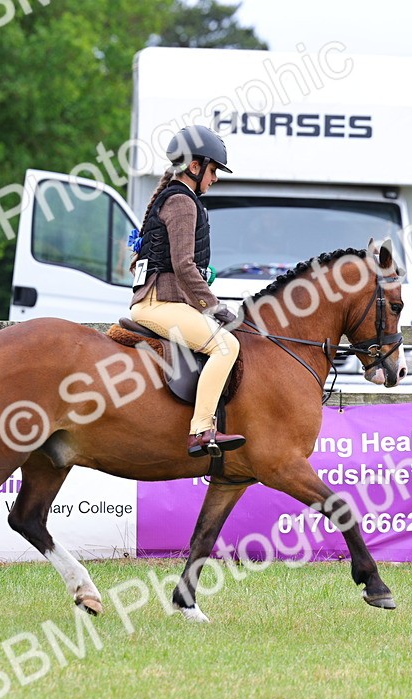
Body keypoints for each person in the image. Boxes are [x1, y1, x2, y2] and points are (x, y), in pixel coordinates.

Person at [129, 125, 245, 458]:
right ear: (194, 167)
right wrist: (215, 307)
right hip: (158, 304)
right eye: (213, 170)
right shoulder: (182, 201)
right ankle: (201, 431)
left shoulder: (172, 197)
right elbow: (183, 266)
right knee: (226, 346)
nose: (216, 178)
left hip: (158, 299)